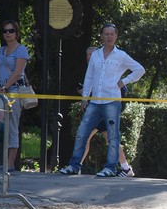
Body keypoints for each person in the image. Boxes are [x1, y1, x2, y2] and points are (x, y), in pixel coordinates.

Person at [59, 23, 145, 177]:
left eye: (112, 34)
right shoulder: (96, 55)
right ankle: (74, 165)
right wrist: (85, 98)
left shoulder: (121, 55)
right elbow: (89, 77)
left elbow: (140, 69)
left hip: (111, 101)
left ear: (116, 36)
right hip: (95, 101)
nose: (109, 37)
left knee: (112, 136)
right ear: (101, 36)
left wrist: (124, 81)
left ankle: (111, 168)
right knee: (82, 133)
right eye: (106, 34)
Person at [78, 46, 134, 177]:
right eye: (87, 55)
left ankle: (126, 168)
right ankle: (77, 165)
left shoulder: (107, 69)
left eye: (92, 55)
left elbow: (117, 88)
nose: (89, 57)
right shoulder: (91, 71)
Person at [0, 20, 30, 171]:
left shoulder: (21, 50)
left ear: (17, 33)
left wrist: (5, 87)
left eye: (11, 30)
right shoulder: (0, 51)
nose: (8, 33)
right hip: (0, 93)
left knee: (12, 126)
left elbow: (18, 72)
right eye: (5, 31)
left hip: (14, 92)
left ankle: (10, 164)